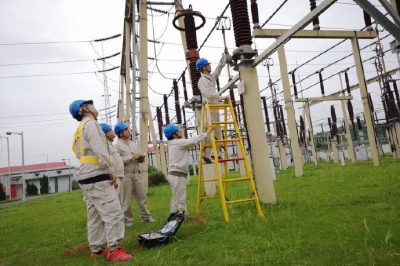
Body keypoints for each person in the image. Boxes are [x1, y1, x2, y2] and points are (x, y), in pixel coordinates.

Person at [69, 99, 132, 261]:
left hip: (86, 175)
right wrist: (110, 170)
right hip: (97, 174)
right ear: (85, 108)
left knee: (95, 215)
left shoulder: (80, 128)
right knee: (113, 212)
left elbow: (77, 152)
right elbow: (101, 150)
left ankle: (96, 249)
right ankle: (115, 249)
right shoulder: (91, 124)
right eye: (91, 104)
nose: (94, 107)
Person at [164, 124, 214, 216]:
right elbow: (193, 141)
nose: (181, 132)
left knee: (180, 196)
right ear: (174, 135)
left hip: (178, 174)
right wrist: (207, 133)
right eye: (178, 131)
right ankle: (176, 216)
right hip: (177, 174)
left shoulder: (175, 143)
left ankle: (183, 214)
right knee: (178, 197)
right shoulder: (178, 143)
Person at [114, 122, 155, 226]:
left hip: (137, 173)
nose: (129, 131)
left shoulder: (133, 144)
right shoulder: (116, 146)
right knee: (125, 200)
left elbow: (139, 158)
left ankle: (146, 217)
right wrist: (131, 157)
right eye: (126, 130)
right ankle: (128, 221)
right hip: (125, 175)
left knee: (142, 197)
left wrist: (141, 158)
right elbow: (116, 161)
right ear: (120, 133)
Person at [196, 57, 229, 162]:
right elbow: (207, 93)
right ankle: (206, 155)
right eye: (208, 64)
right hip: (208, 107)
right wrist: (220, 97)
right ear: (204, 67)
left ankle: (217, 153)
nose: (210, 66)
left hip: (214, 106)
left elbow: (218, 70)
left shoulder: (210, 77)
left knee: (218, 131)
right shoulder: (202, 80)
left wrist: (223, 59)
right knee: (210, 131)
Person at [99, 123, 124, 194]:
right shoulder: (105, 146)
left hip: (118, 177)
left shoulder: (110, 145)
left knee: (119, 203)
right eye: (110, 130)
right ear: (105, 134)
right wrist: (112, 178)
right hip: (114, 178)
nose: (113, 131)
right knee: (115, 202)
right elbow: (106, 162)